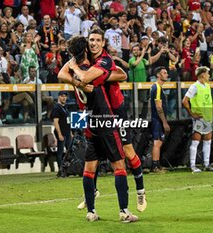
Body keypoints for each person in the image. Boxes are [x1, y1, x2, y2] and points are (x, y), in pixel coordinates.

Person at [68, 28, 138, 222]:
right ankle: (124, 211)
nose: (94, 43)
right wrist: (81, 78)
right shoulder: (93, 66)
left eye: (97, 40)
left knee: (90, 168)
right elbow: (82, 79)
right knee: (118, 166)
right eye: (91, 40)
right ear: (87, 44)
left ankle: (91, 211)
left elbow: (64, 75)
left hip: (90, 121)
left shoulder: (84, 65)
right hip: (105, 121)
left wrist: (73, 68)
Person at [182, 66, 213, 173]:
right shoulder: (194, 87)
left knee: (207, 140)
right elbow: (185, 101)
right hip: (199, 118)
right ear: (202, 75)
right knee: (196, 141)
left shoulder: (206, 86)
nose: (209, 75)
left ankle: (207, 164)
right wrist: (192, 114)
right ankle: (193, 165)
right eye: (208, 73)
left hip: (207, 118)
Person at [150, 67, 170, 173]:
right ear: (158, 75)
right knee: (157, 143)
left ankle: (157, 164)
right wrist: (164, 122)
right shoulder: (157, 87)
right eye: (164, 73)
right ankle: (154, 166)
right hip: (157, 119)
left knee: (159, 142)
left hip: (157, 119)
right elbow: (158, 107)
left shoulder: (157, 87)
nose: (167, 74)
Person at [51, 91, 72, 177]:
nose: (64, 98)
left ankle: (68, 169)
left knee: (69, 151)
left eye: (65, 96)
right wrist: (59, 134)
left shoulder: (65, 107)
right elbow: (56, 122)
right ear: (59, 97)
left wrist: (70, 132)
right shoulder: (56, 108)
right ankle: (61, 170)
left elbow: (68, 121)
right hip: (61, 133)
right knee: (60, 151)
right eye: (62, 96)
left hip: (67, 132)